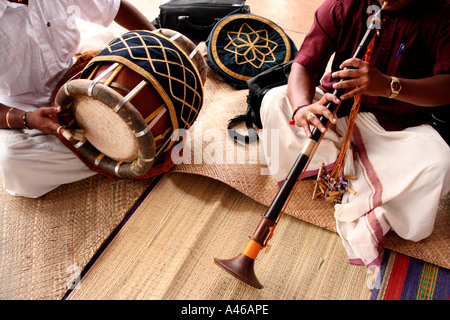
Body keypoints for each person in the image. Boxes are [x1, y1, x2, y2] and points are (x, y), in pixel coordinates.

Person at [260, 0, 449, 267]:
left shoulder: (442, 13)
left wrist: (388, 86)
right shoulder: (343, 5)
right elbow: (304, 66)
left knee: (440, 162)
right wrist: (303, 107)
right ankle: (352, 179)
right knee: (275, 101)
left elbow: (447, 86)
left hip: (394, 129)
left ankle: (349, 179)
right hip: (334, 113)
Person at [0, 0, 156, 198]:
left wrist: (159, 40)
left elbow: (114, 6)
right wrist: (27, 119)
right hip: (23, 109)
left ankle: (108, 148)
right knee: (13, 162)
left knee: (142, 93)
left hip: (78, 79)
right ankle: (121, 151)